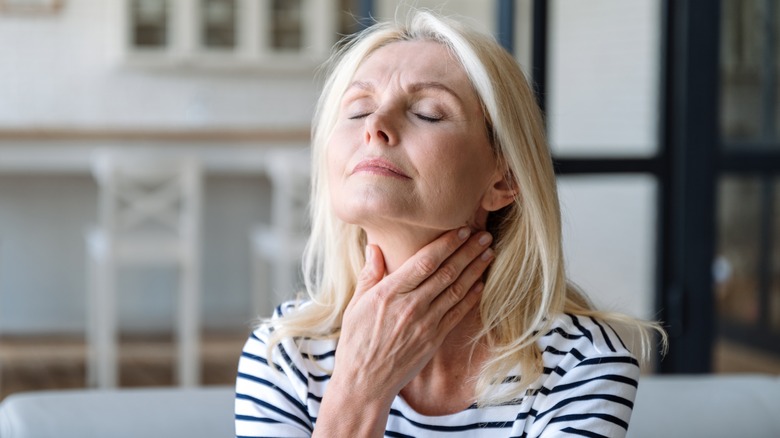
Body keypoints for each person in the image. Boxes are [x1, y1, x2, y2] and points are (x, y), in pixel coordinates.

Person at [235, 10, 665, 438]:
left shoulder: (582, 366)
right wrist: (360, 391)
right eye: (358, 109)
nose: (375, 126)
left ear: (505, 178)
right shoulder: (283, 355)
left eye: (427, 113)